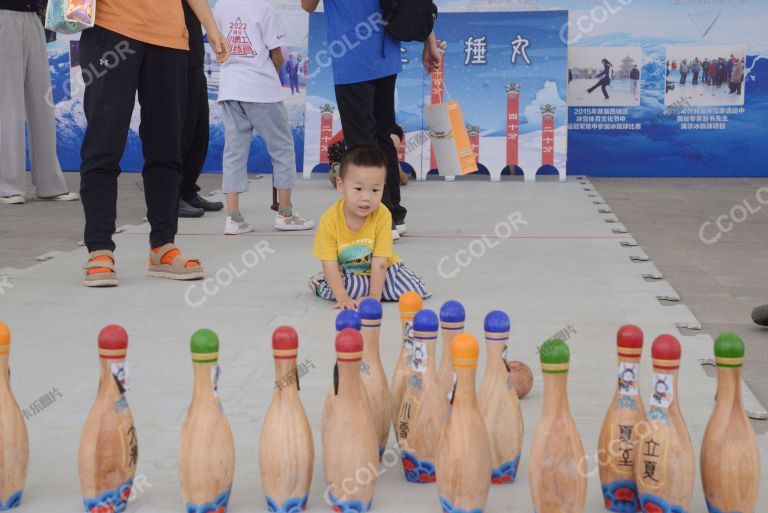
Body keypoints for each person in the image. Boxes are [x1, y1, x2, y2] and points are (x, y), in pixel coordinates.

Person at [78, 0, 229, 287]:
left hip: (170, 36)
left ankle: (163, 245)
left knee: (167, 143)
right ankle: (99, 248)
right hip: (112, 28)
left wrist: (211, 26)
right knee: (104, 142)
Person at [301, 0, 442, 242]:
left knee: (361, 142)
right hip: (385, 51)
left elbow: (308, 6)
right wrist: (429, 40)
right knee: (384, 135)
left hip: (351, 56)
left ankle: (379, 221)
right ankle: (395, 215)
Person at [214, 0, 314, 234]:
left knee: (234, 152)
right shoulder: (265, 8)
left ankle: (234, 218)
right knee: (281, 148)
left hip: (230, 87)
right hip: (261, 89)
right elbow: (277, 56)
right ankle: (285, 214)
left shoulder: (219, 6)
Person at [310, 145, 430, 309]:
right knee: (347, 288)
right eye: (358, 189)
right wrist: (343, 298)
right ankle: (319, 283)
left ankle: (371, 290)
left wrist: (375, 296)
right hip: (349, 273)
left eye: (375, 190)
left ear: (383, 187)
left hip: (383, 270)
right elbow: (329, 263)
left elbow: (381, 260)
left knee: (416, 289)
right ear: (340, 185)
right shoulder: (329, 220)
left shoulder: (383, 214)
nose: (366, 198)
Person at [0, 0, 79, 204]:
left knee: (42, 105)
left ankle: (49, 184)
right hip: (4, 15)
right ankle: (8, 186)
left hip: (33, 17)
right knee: (9, 105)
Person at [179, 1, 224, 218]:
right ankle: (170, 195)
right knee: (178, 128)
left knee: (198, 127)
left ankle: (187, 190)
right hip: (169, 51)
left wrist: (212, 29)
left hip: (193, 51)